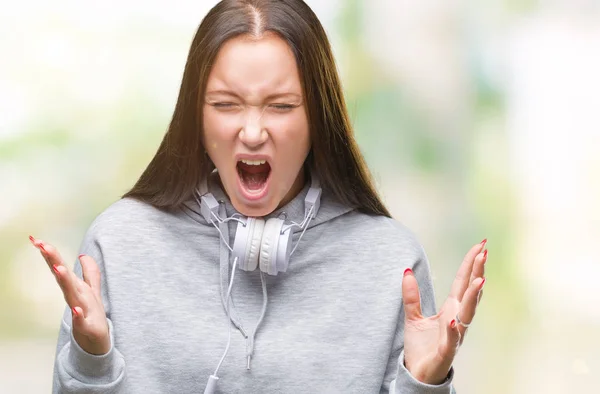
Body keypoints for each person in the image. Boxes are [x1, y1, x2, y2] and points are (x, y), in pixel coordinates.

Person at [30, 0, 487, 392]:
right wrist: (90, 362)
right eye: (226, 105)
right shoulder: (120, 242)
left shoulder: (392, 262)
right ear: (196, 117)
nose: (251, 132)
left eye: (282, 106)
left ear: (318, 119)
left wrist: (423, 382)